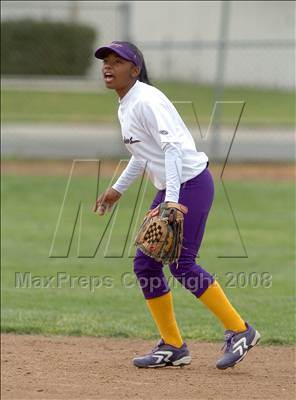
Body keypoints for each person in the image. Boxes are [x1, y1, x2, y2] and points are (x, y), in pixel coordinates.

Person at [93, 41, 260, 369]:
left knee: (182, 263)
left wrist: (171, 201)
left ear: (135, 69)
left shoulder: (147, 100)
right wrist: (117, 189)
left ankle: (241, 330)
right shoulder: (127, 103)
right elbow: (143, 155)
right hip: (174, 186)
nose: (108, 67)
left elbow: (171, 150)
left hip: (190, 184)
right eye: (105, 61)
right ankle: (173, 346)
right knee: (146, 265)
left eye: (117, 61)